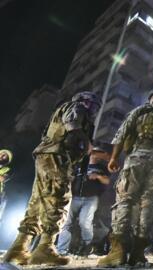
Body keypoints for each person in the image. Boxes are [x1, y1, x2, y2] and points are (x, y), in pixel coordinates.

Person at [3, 91, 100, 266]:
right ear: (85, 102)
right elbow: (73, 127)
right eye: (92, 105)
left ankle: (19, 247)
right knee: (59, 198)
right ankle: (45, 248)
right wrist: (86, 143)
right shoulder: (77, 107)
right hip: (58, 156)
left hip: (46, 155)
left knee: (38, 202)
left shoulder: (63, 109)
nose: (93, 110)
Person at [97, 84, 153, 267]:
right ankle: (138, 252)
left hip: (137, 158)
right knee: (148, 203)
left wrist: (113, 159)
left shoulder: (139, 112)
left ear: (152, 97)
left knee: (125, 200)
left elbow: (121, 136)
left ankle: (117, 251)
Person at [56, 142, 112, 256]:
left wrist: (98, 176)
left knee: (84, 223)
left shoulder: (102, 168)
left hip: (90, 199)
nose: (99, 155)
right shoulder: (80, 165)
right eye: (97, 152)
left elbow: (107, 181)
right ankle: (61, 250)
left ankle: (87, 246)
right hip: (74, 197)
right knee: (66, 223)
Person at [0, 149, 13, 225]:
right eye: (1, 154)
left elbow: (2, 178)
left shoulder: (8, 170)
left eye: (4, 156)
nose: (1, 156)